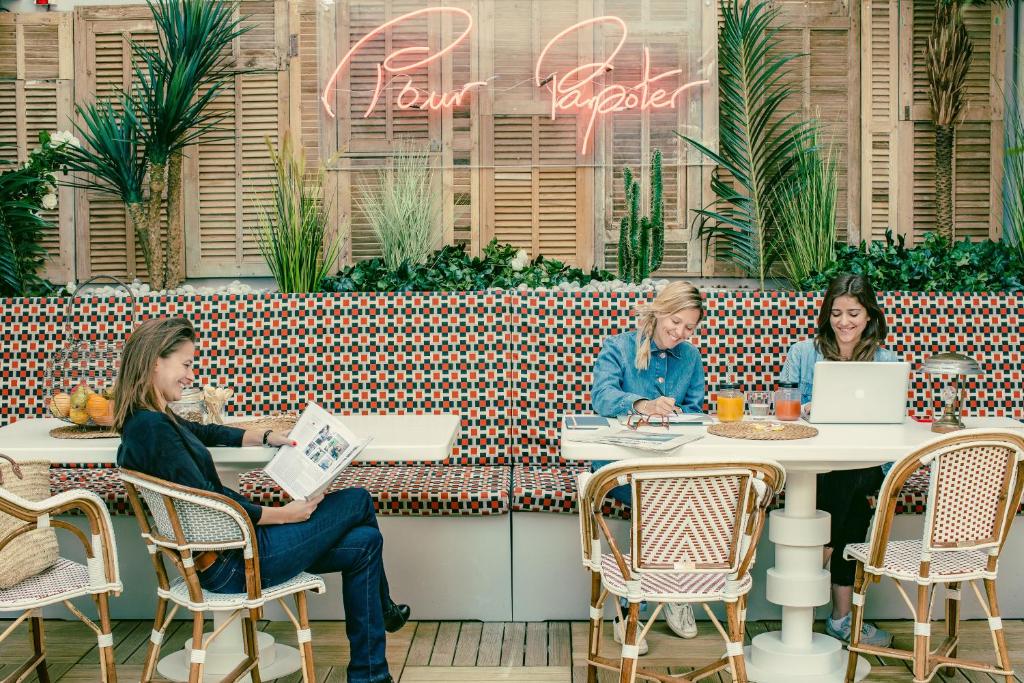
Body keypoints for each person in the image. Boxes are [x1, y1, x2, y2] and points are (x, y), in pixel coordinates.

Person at [113, 317, 408, 683]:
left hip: (228, 554)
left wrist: (265, 436)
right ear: (155, 361)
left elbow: (205, 431)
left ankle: (369, 676)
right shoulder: (154, 429)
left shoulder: (148, 421)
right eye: (186, 365)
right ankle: (387, 611)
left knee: (366, 543)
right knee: (358, 500)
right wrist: (285, 514)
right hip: (234, 564)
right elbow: (213, 501)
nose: (190, 376)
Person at [779, 273, 896, 648]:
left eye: (854, 314)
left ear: (870, 317)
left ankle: (818, 560)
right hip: (814, 466)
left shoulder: (885, 360)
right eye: (836, 313)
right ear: (826, 315)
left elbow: (894, 419)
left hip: (864, 465)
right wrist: (804, 408)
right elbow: (782, 410)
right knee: (853, 495)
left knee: (858, 480)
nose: (844, 322)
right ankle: (842, 619)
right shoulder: (803, 352)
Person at [590, 281, 707, 648]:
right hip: (618, 463)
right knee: (659, 493)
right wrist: (643, 405)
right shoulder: (620, 347)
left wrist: (677, 416)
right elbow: (601, 396)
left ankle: (645, 600)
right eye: (675, 322)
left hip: (671, 460)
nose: (681, 333)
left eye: (689, 327)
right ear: (658, 312)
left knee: (672, 489)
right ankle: (650, 600)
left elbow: (696, 409)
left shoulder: (689, 357)